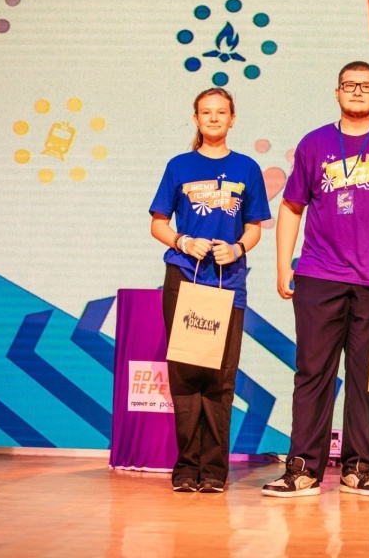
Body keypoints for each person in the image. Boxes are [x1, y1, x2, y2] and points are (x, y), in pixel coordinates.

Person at [261, 60, 369, 497]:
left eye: (366, 86)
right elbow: (291, 207)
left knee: (367, 377)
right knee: (313, 373)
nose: (357, 91)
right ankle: (303, 469)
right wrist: (283, 265)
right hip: (319, 274)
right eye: (349, 85)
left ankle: (358, 468)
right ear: (336, 92)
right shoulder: (314, 143)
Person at [149, 88, 271, 493]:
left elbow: (254, 227)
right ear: (196, 119)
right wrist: (183, 242)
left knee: (220, 377)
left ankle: (214, 470)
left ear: (232, 119)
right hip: (185, 278)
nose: (214, 118)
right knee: (185, 374)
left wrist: (236, 249)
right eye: (206, 112)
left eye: (221, 112)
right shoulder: (179, 166)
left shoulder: (247, 168)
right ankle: (186, 468)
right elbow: (158, 223)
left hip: (227, 283)